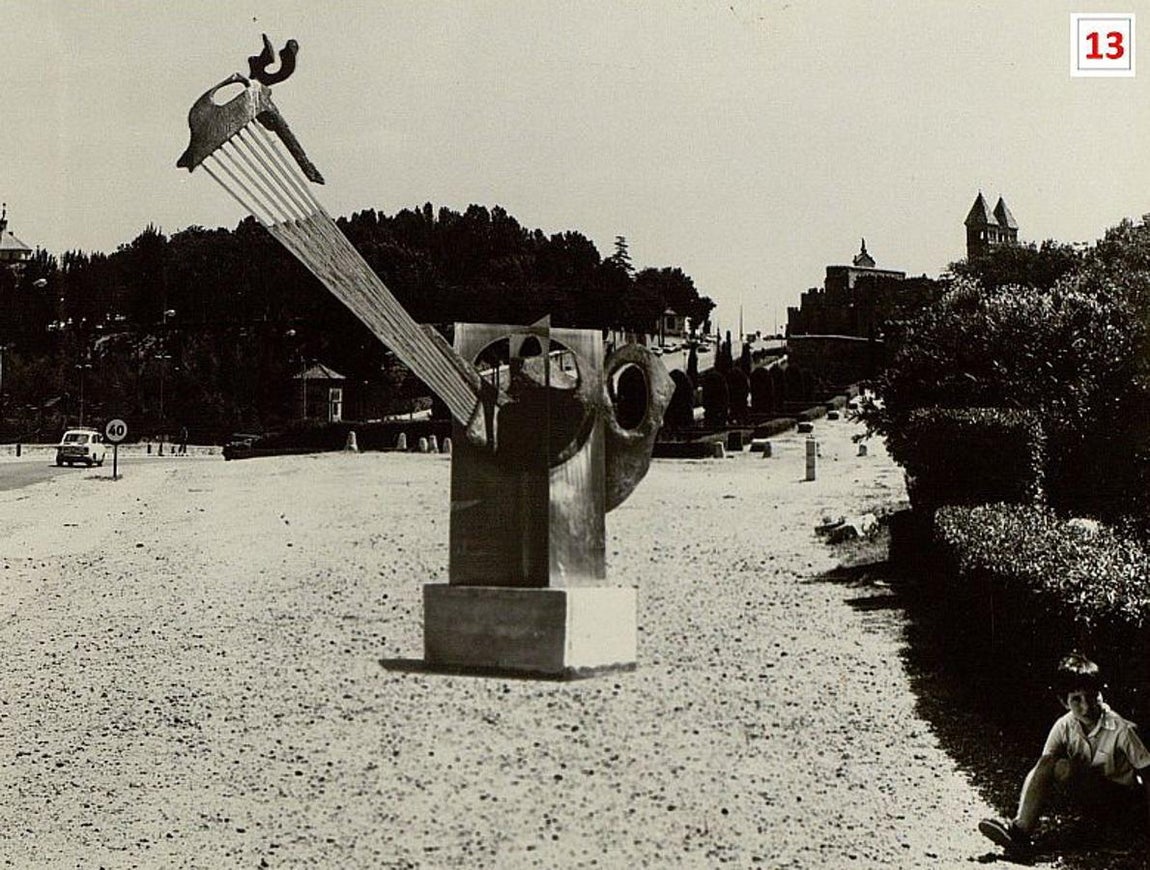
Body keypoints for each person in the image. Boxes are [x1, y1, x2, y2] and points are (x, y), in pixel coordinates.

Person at [979, 652, 1150, 853]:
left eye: (1091, 697)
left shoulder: (1121, 729)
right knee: (1053, 763)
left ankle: (1106, 830)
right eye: (1076, 699)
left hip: (1121, 800)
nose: (1086, 707)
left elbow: (1147, 773)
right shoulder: (1064, 725)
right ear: (1064, 702)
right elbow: (1043, 768)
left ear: (1100, 694)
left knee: (1063, 767)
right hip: (1088, 796)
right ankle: (1019, 831)